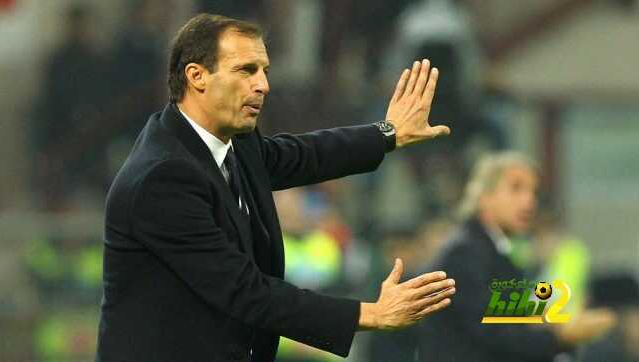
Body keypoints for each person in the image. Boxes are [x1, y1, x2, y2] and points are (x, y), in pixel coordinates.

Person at [96, 14, 456, 362]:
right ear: (197, 76)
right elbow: (243, 290)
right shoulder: (163, 178)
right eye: (246, 70)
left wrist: (388, 134)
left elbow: (305, 155)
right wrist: (371, 314)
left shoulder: (234, 142)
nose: (263, 85)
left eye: (264, 71)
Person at [416, 152, 617, 362]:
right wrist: (560, 337)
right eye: (516, 189)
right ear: (483, 196)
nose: (529, 202)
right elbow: (490, 333)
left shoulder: (493, 251)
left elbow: (505, 318)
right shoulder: (464, 254)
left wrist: (548, 320)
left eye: (533, 192)